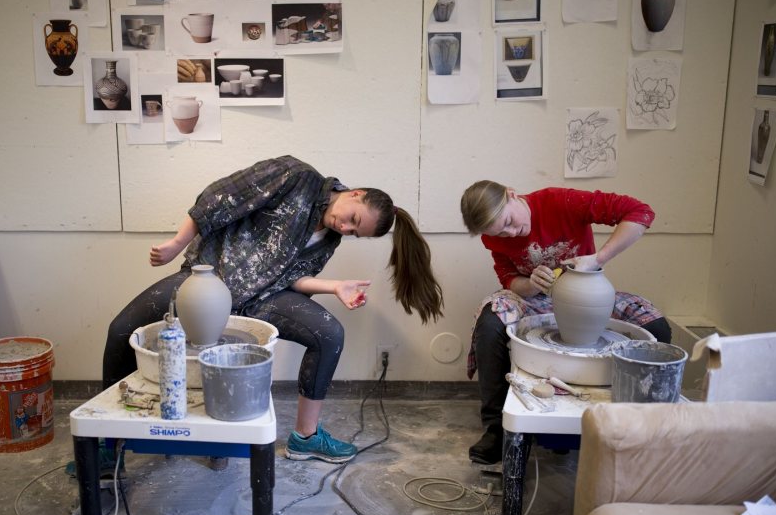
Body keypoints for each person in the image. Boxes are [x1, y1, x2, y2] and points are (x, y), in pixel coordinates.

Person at [104, 155, 444, 464]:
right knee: (122, 329)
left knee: (328, 333)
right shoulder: (295, 176)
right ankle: (106, 443)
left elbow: (295, 279)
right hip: (209, 281)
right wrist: (177, 243)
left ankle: (305, 438)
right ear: (354, 193)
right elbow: (217, 199)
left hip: (263, 298)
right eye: (353, 219)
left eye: (355, 232)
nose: (346, 228)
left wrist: (335, 286)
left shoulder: (330, 238)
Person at [459, 181, 671, 465]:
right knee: (490, 321)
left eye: (509, 222)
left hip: (585, 293)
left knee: (655, 327)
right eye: (501, 232)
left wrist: (598, 258)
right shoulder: (494, 238)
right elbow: (509, 280)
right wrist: (530, 283)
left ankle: (641, 426)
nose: (510, 233)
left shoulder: (559, 201)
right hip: (539, 300)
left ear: (512, 194)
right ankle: (497, 426)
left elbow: (639, 212)